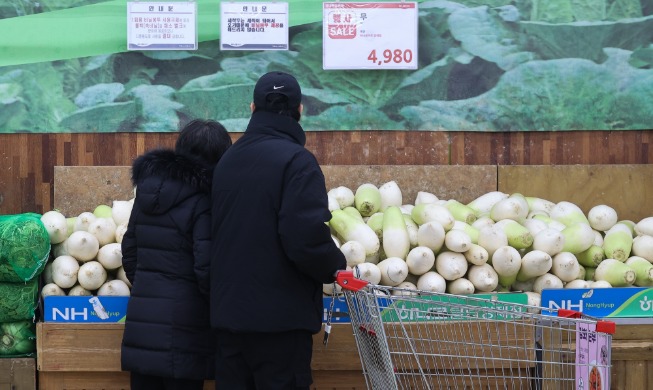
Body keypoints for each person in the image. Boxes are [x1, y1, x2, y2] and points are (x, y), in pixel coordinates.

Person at [209, 71, 347, 389]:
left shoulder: (228, 160)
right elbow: (305, 238)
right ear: (299, 111)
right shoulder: (298, 162)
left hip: (230, 320)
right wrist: (336, 267)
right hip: (280, 324)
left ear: (252, 109)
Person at [120, 119, 232, 390]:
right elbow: (206, 269)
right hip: (185, 330)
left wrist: (149, 286)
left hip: (142, 324)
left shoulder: (147, 191)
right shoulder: (204, 198)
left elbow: (129, 251)